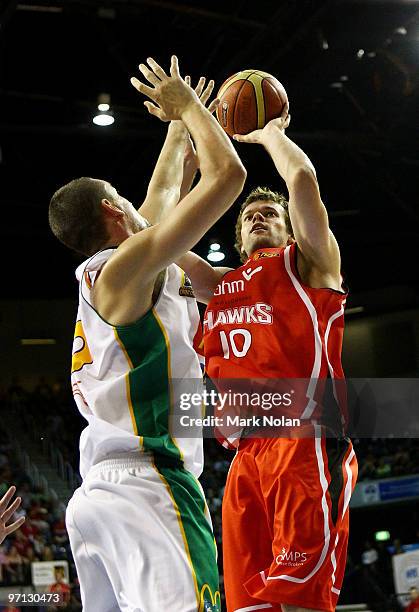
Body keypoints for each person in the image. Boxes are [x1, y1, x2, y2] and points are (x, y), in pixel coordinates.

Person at [48, 55, 246, 612]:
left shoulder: (120, 274)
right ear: (115, 211)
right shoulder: (126, 268)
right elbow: (228, 178)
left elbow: (161, 195)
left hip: (97, 501)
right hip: (149, 486)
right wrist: (189, 110)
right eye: (128, 204)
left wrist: (180, 125)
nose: (143, 208)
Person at [179, 112, 358, 611]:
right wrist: (184, 158)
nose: (259, 217)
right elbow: (159, 237)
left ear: (289, 230)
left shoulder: (309, 265)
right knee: (248, 604)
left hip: (303, 438)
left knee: (300, 596)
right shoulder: (218, 287)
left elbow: (301, 180)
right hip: (245, 459)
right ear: (237, 242)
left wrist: (268, 134)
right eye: (249, 216)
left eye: (269, 214)